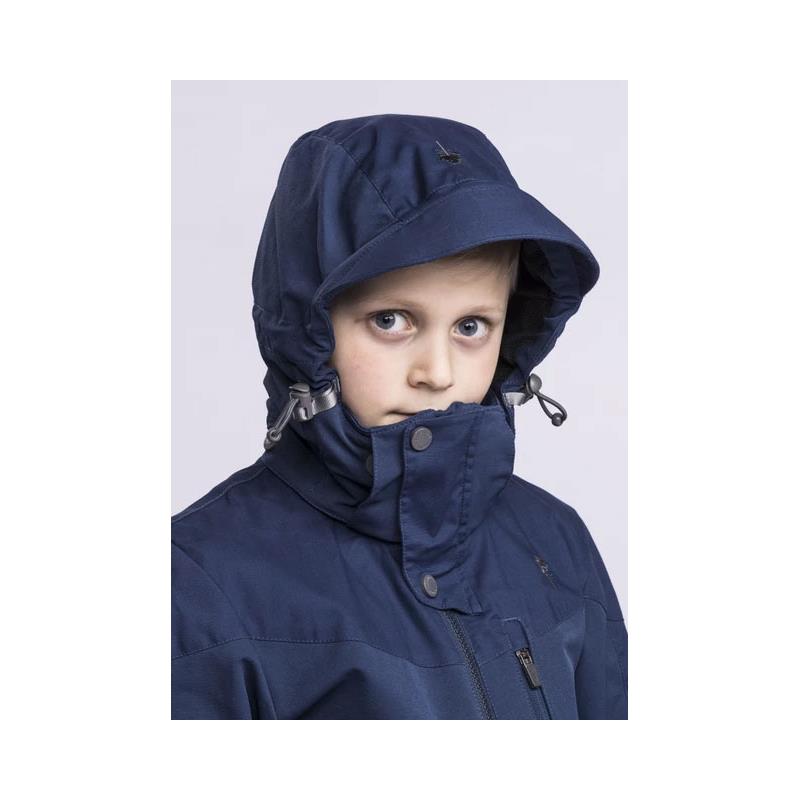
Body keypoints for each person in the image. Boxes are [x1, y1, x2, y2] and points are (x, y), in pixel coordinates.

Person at [171, 113, 627, 719]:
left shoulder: (555, 539)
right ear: (306, 328)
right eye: (391, 321)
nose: (437, 372)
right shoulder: (196, 582)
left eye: (472, 326)